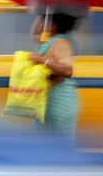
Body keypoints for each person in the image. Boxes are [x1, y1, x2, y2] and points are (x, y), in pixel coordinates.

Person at [30, 13, 80, 144]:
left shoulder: (60, 42)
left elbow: (67, 70)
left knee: (61, 146)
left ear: (53, 25)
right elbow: (34, 33)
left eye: (42, 21)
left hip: (59, 103)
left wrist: (41, 60)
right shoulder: (48, 42)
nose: (39, 25)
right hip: (47, 102)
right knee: (44, 146)